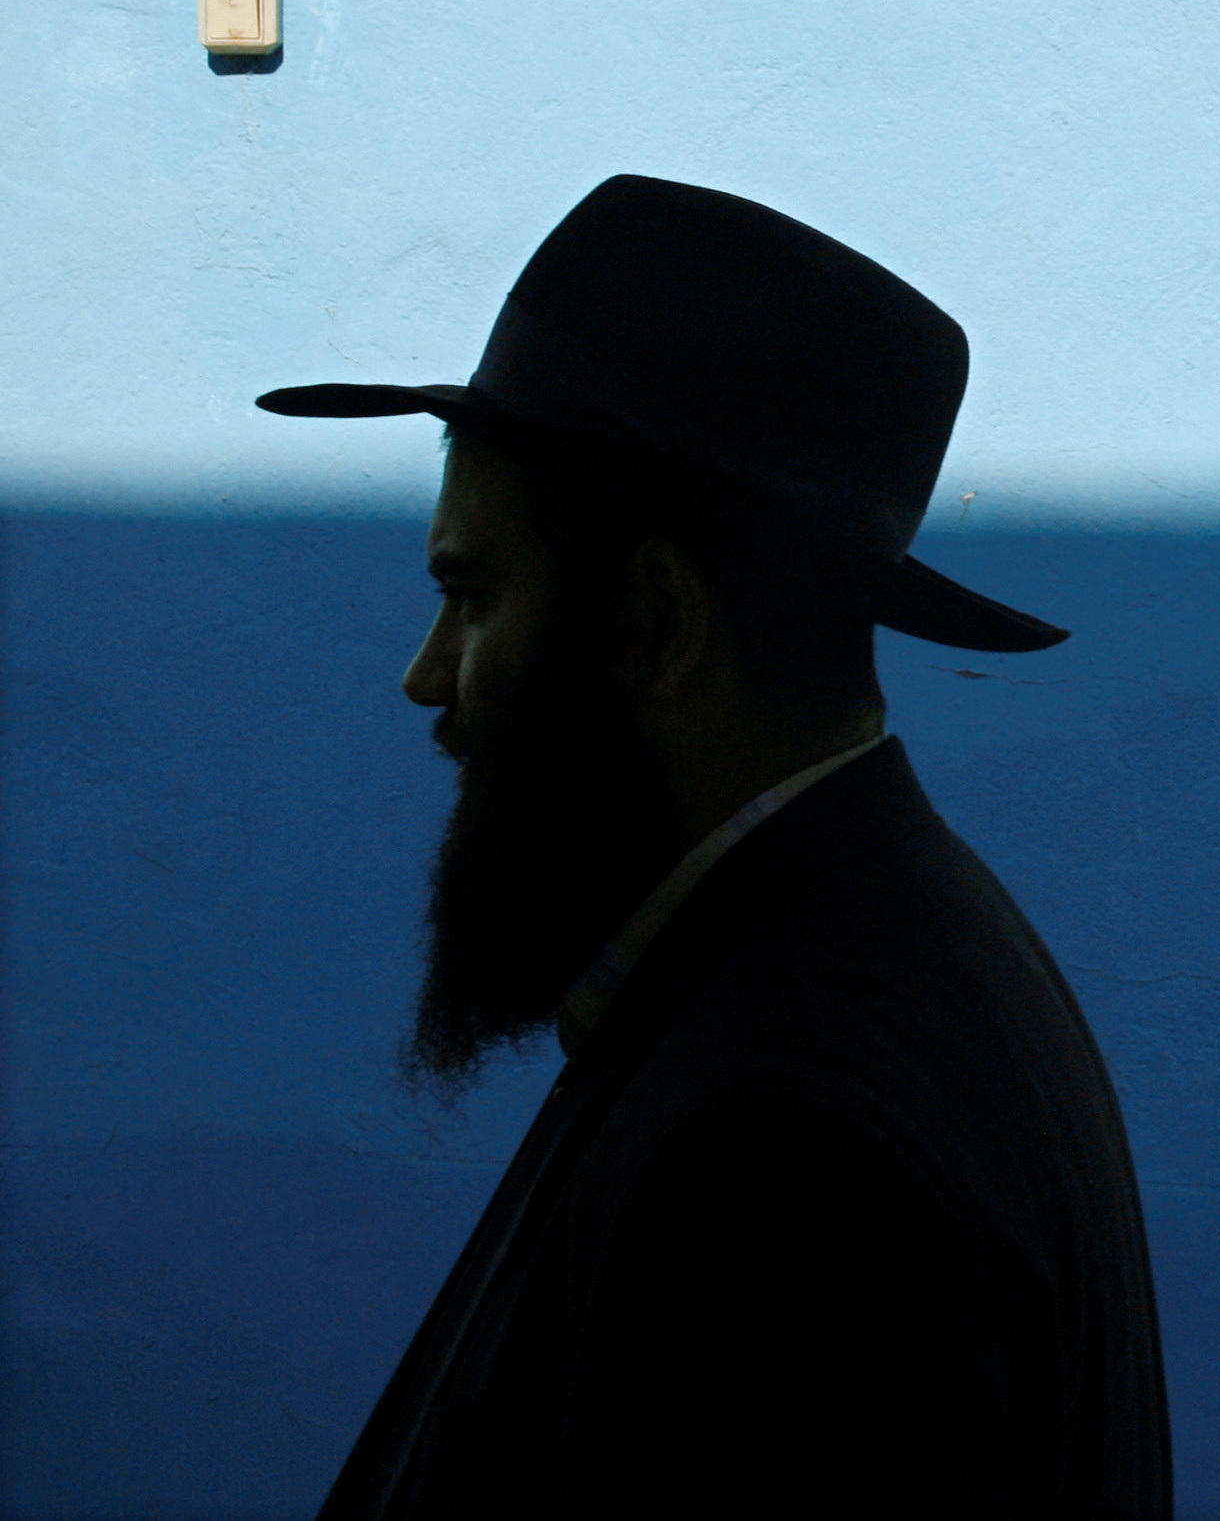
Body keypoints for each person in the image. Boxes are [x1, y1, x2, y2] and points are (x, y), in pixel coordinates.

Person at [259, 176, 1169, 1519]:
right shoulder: (871, 958)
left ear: (659, 622)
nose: (427, 675)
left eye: (474, 597)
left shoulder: (782, 1147)